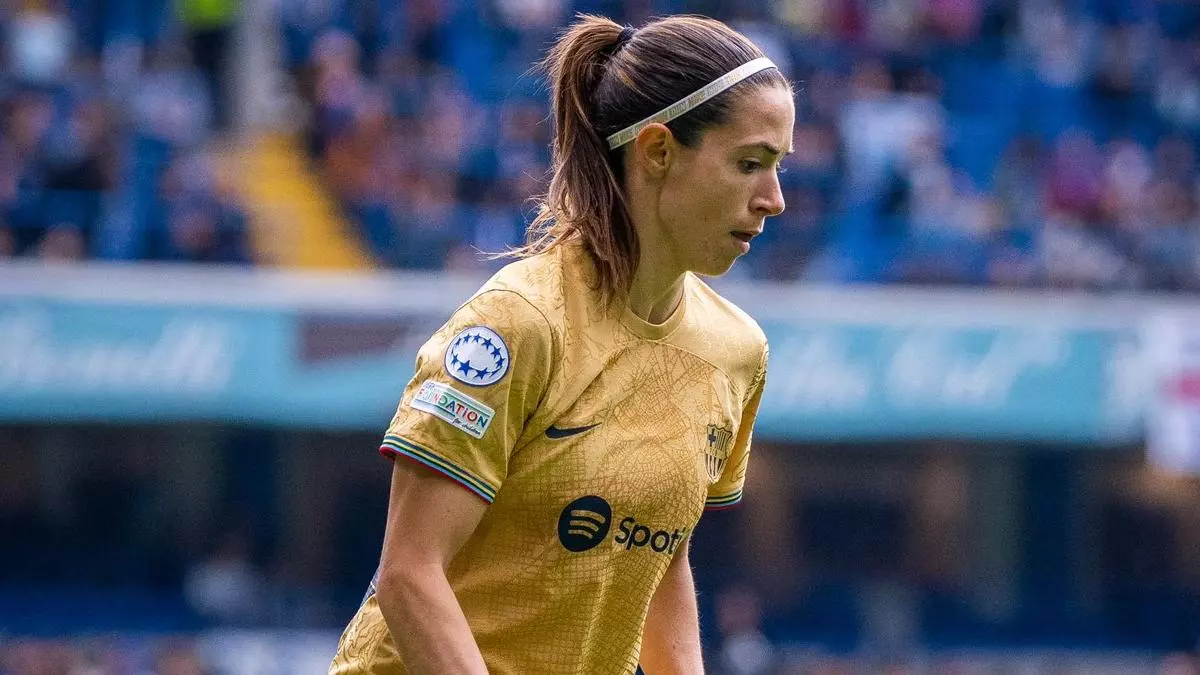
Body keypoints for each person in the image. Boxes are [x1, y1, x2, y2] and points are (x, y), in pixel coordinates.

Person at [329, 13, 793, 675]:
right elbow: (409, 572)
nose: (774, 199)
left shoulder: (737, 351)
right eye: (749, 164)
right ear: (658, 151)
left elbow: (658, 558)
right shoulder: (516, 324)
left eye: (777, 167)